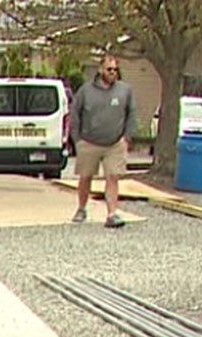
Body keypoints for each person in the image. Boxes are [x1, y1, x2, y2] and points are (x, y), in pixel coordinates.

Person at [68, 54, 136, 229]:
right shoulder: (85, 91)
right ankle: (81, 208)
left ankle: (112, 214)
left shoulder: (124, 91)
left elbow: (131, 114)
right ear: (100, 70)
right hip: (89, 142)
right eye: (109, 69)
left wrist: (126, 138)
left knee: (113, 177)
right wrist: (77, 140)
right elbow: (74, 114)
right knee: (85, 177)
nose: (113, 73)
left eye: (115, 69)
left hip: (114, 144)